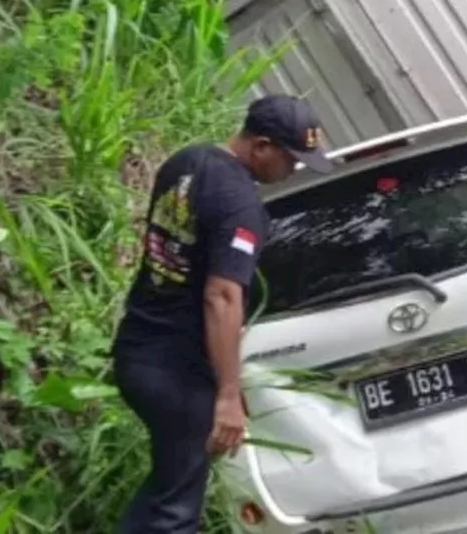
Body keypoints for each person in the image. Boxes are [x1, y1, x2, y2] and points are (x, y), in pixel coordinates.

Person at [111, 94, 334, 533]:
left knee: (168, 490)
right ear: (262, 145)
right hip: (179, 370)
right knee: (175, 515)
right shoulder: (240, 204)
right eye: (290, 158)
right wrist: (229, 396)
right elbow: (222, 296)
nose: (293, 169)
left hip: (137, 349)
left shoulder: (187, 163)